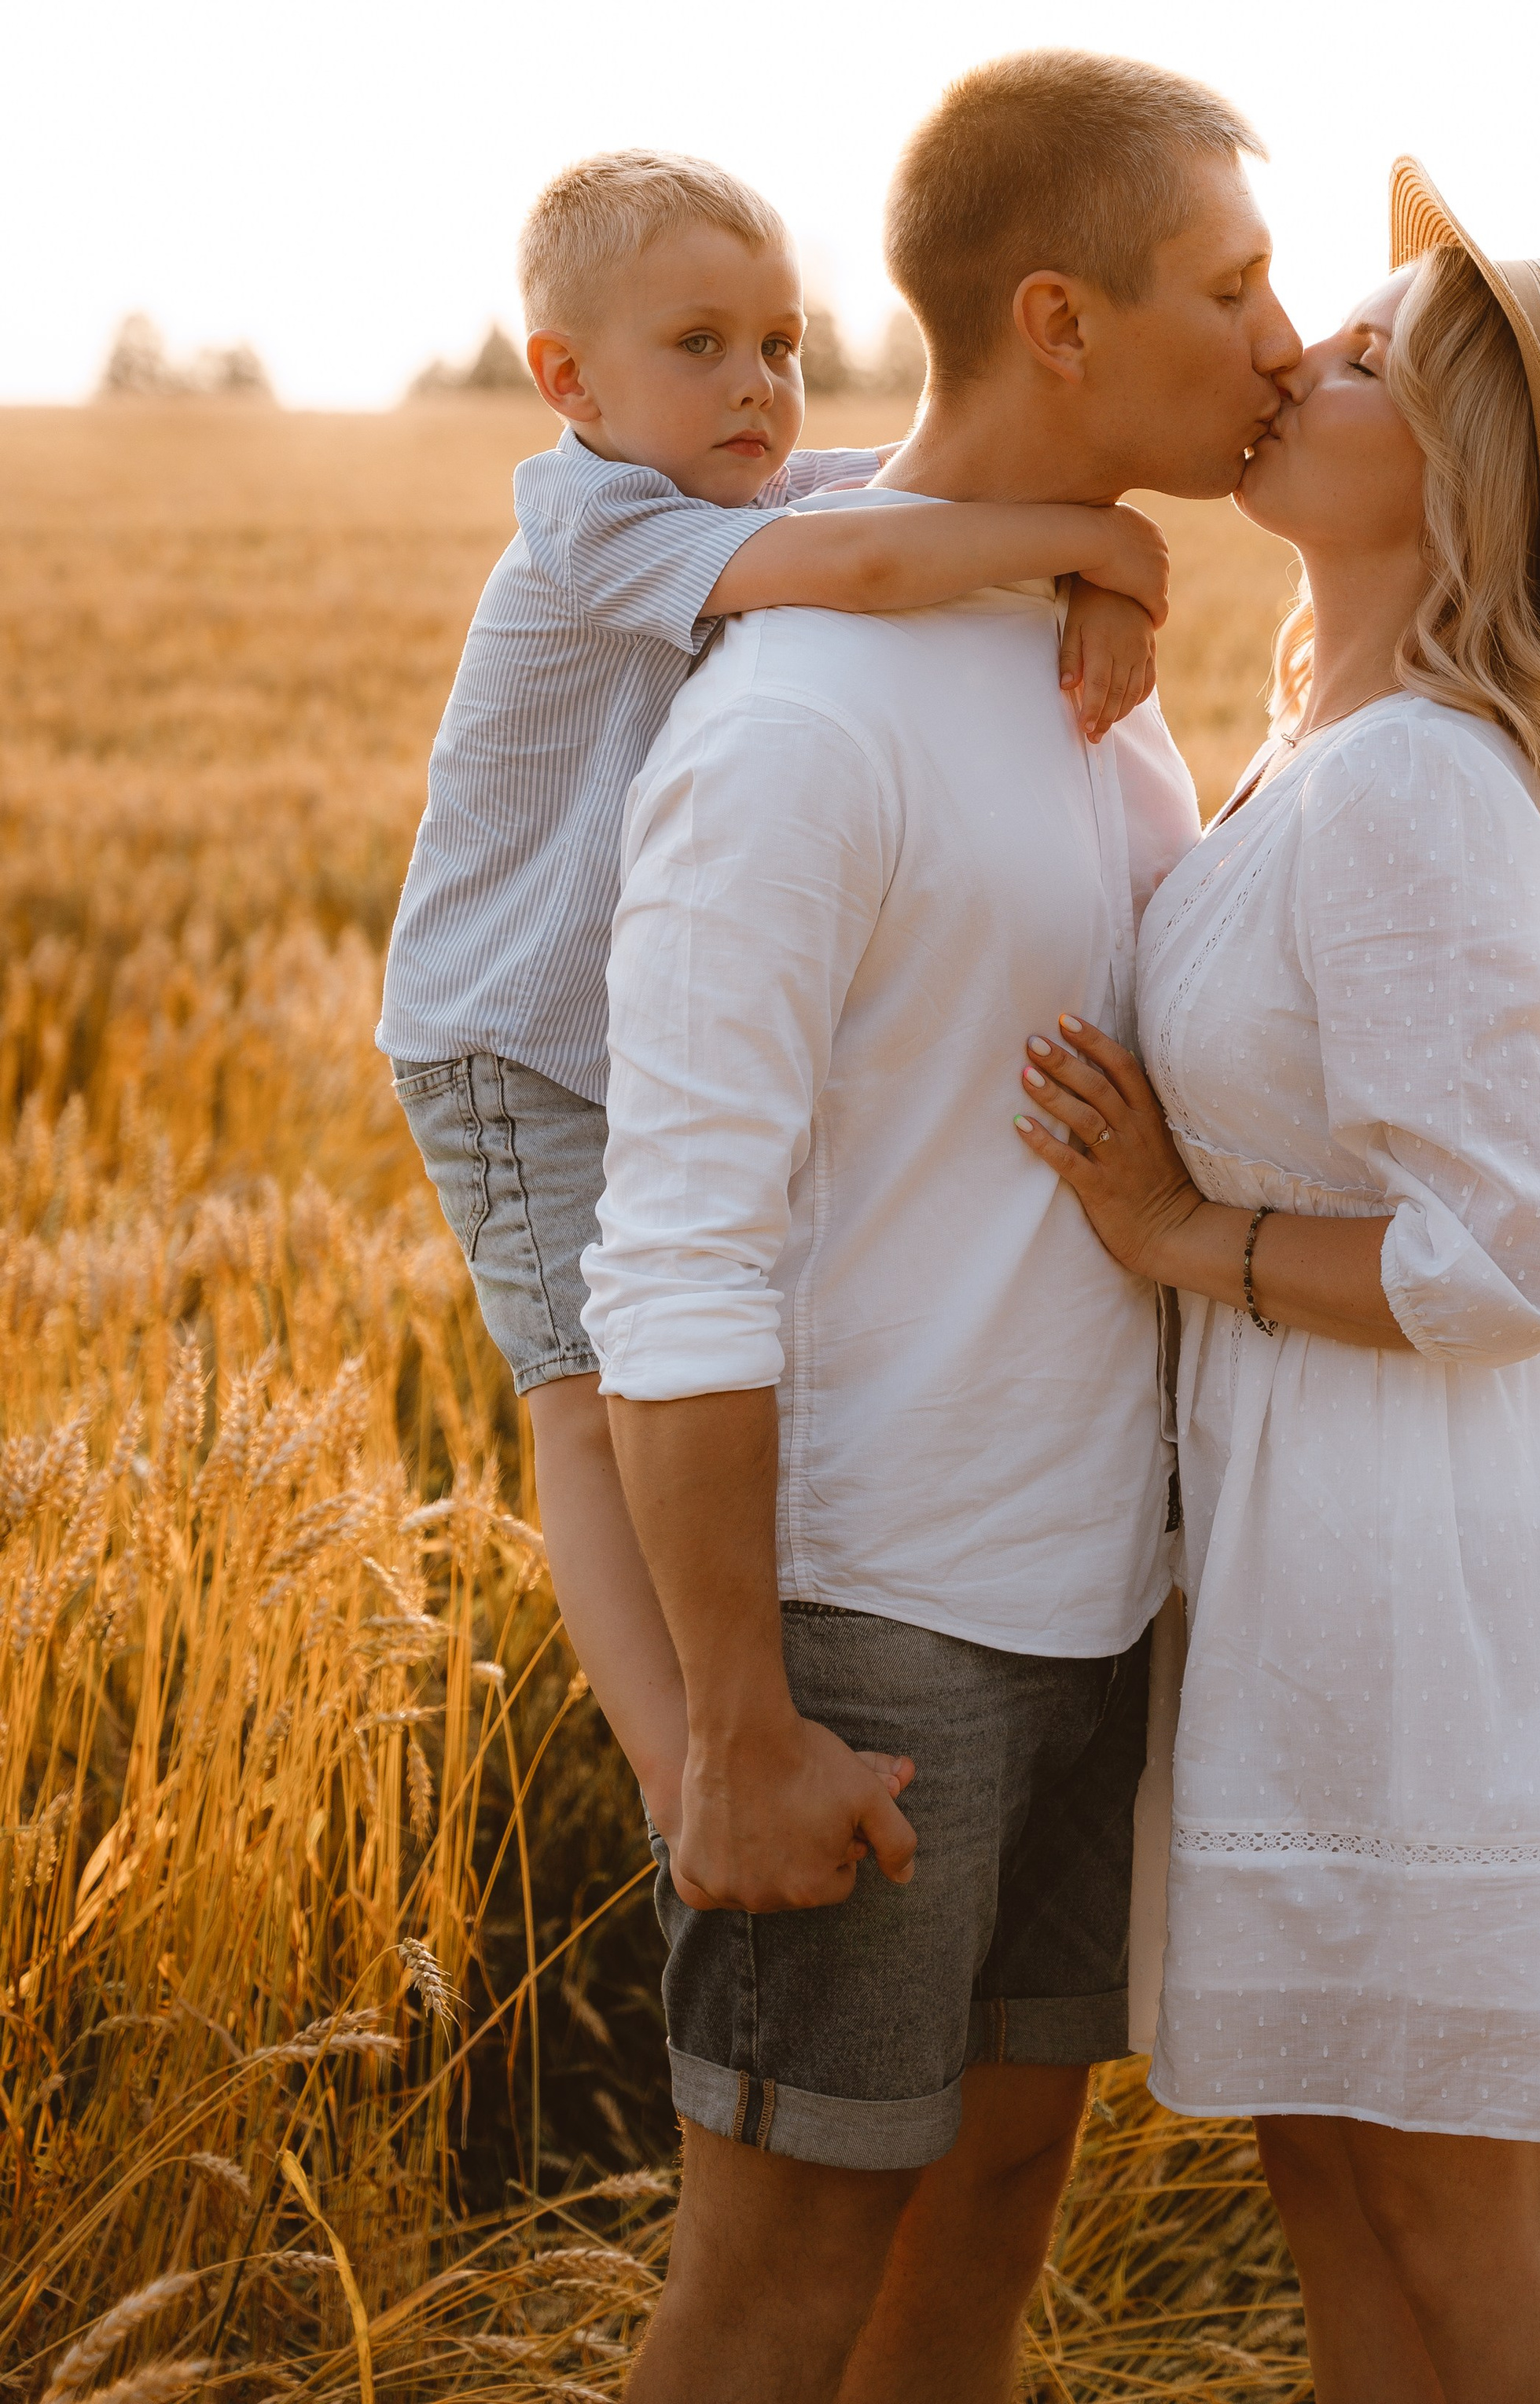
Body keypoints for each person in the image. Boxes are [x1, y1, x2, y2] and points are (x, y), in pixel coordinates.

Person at [581, 53, 1303, 2403]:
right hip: (869, 1631)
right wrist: (736, 1723)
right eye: (1231, 283)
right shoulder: (799, 723)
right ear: (1059, 318)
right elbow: (673, 1250)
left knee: (985, 2235)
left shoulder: (1086, 665)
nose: (1282, 337)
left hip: (1094, 1594)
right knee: (774, 2296)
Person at [1012, 160, 1540, 2404]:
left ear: (1461, 465)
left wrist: (1174, 1236)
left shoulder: (1413, 783)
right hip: (1327, 1533)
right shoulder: (1332, 750)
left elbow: (1497, 1259)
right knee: (1333, 2168)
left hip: (1423, 1564)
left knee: (1454, 2210)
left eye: (1364, 352)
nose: (1290, 350)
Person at [378, 146, 1172, 1840]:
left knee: (634, 1355)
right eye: (700, 346)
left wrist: (1092, 570)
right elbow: (880, 567)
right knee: (584, 1399)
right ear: (568, 381)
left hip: (604, 1017)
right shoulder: (589, 520)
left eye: (781, 344)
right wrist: (1102, 540)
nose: (756, 384)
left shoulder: (758, 488)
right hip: (508, 1037)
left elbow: (920, 496)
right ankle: (690, 1779)